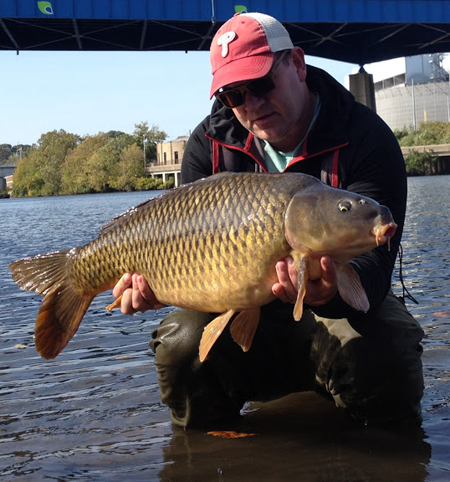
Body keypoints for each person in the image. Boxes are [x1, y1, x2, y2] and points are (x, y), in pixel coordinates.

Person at [113, 12, 424, 428]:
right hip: (239, 304)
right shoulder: (207, 145)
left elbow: (375, 266)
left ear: (296, 63)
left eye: (260, 85)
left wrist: (326, 293)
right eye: (232, 96)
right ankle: (211, 448)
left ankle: (380, 454)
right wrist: (161, 289)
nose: (251, 105)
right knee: (181, 341)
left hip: (337, 311)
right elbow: (185, 254)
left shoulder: (366, 136)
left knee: (387, 344)